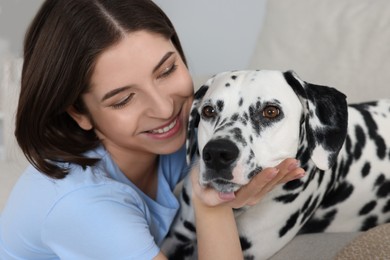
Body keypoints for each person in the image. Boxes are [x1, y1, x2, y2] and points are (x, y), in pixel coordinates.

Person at [0, 0, 305, 259]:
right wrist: (211, 204)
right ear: (79, 113)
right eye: (124, 99)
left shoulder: (181, 138)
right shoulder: (83, 206)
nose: (164, 109)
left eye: (167, 70)